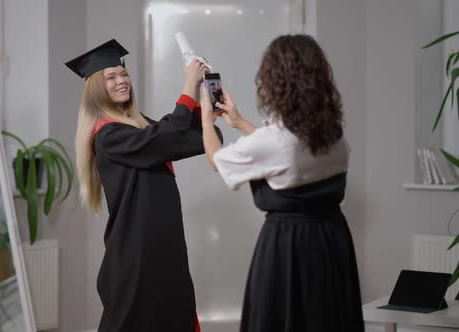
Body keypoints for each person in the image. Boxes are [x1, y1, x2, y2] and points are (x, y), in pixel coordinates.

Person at [200, 34, 364, 332]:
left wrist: (205, 119)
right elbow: (282, 155)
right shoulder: (334, 134)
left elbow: (217, 160)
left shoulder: (275, 140)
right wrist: (238, 122)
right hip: (332, 240)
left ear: (275, 81)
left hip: (288, 247)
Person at [65, 39, 221, 332]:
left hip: (164, 247)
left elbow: (194, 137)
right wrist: (187, 86)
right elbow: (167, 135)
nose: (121, 80)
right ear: (97, 87)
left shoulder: (139, 125)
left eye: (123, 73)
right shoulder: (108, 136)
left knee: (173, 316)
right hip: (136, 254)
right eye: (110, 77)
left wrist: (205, 104)